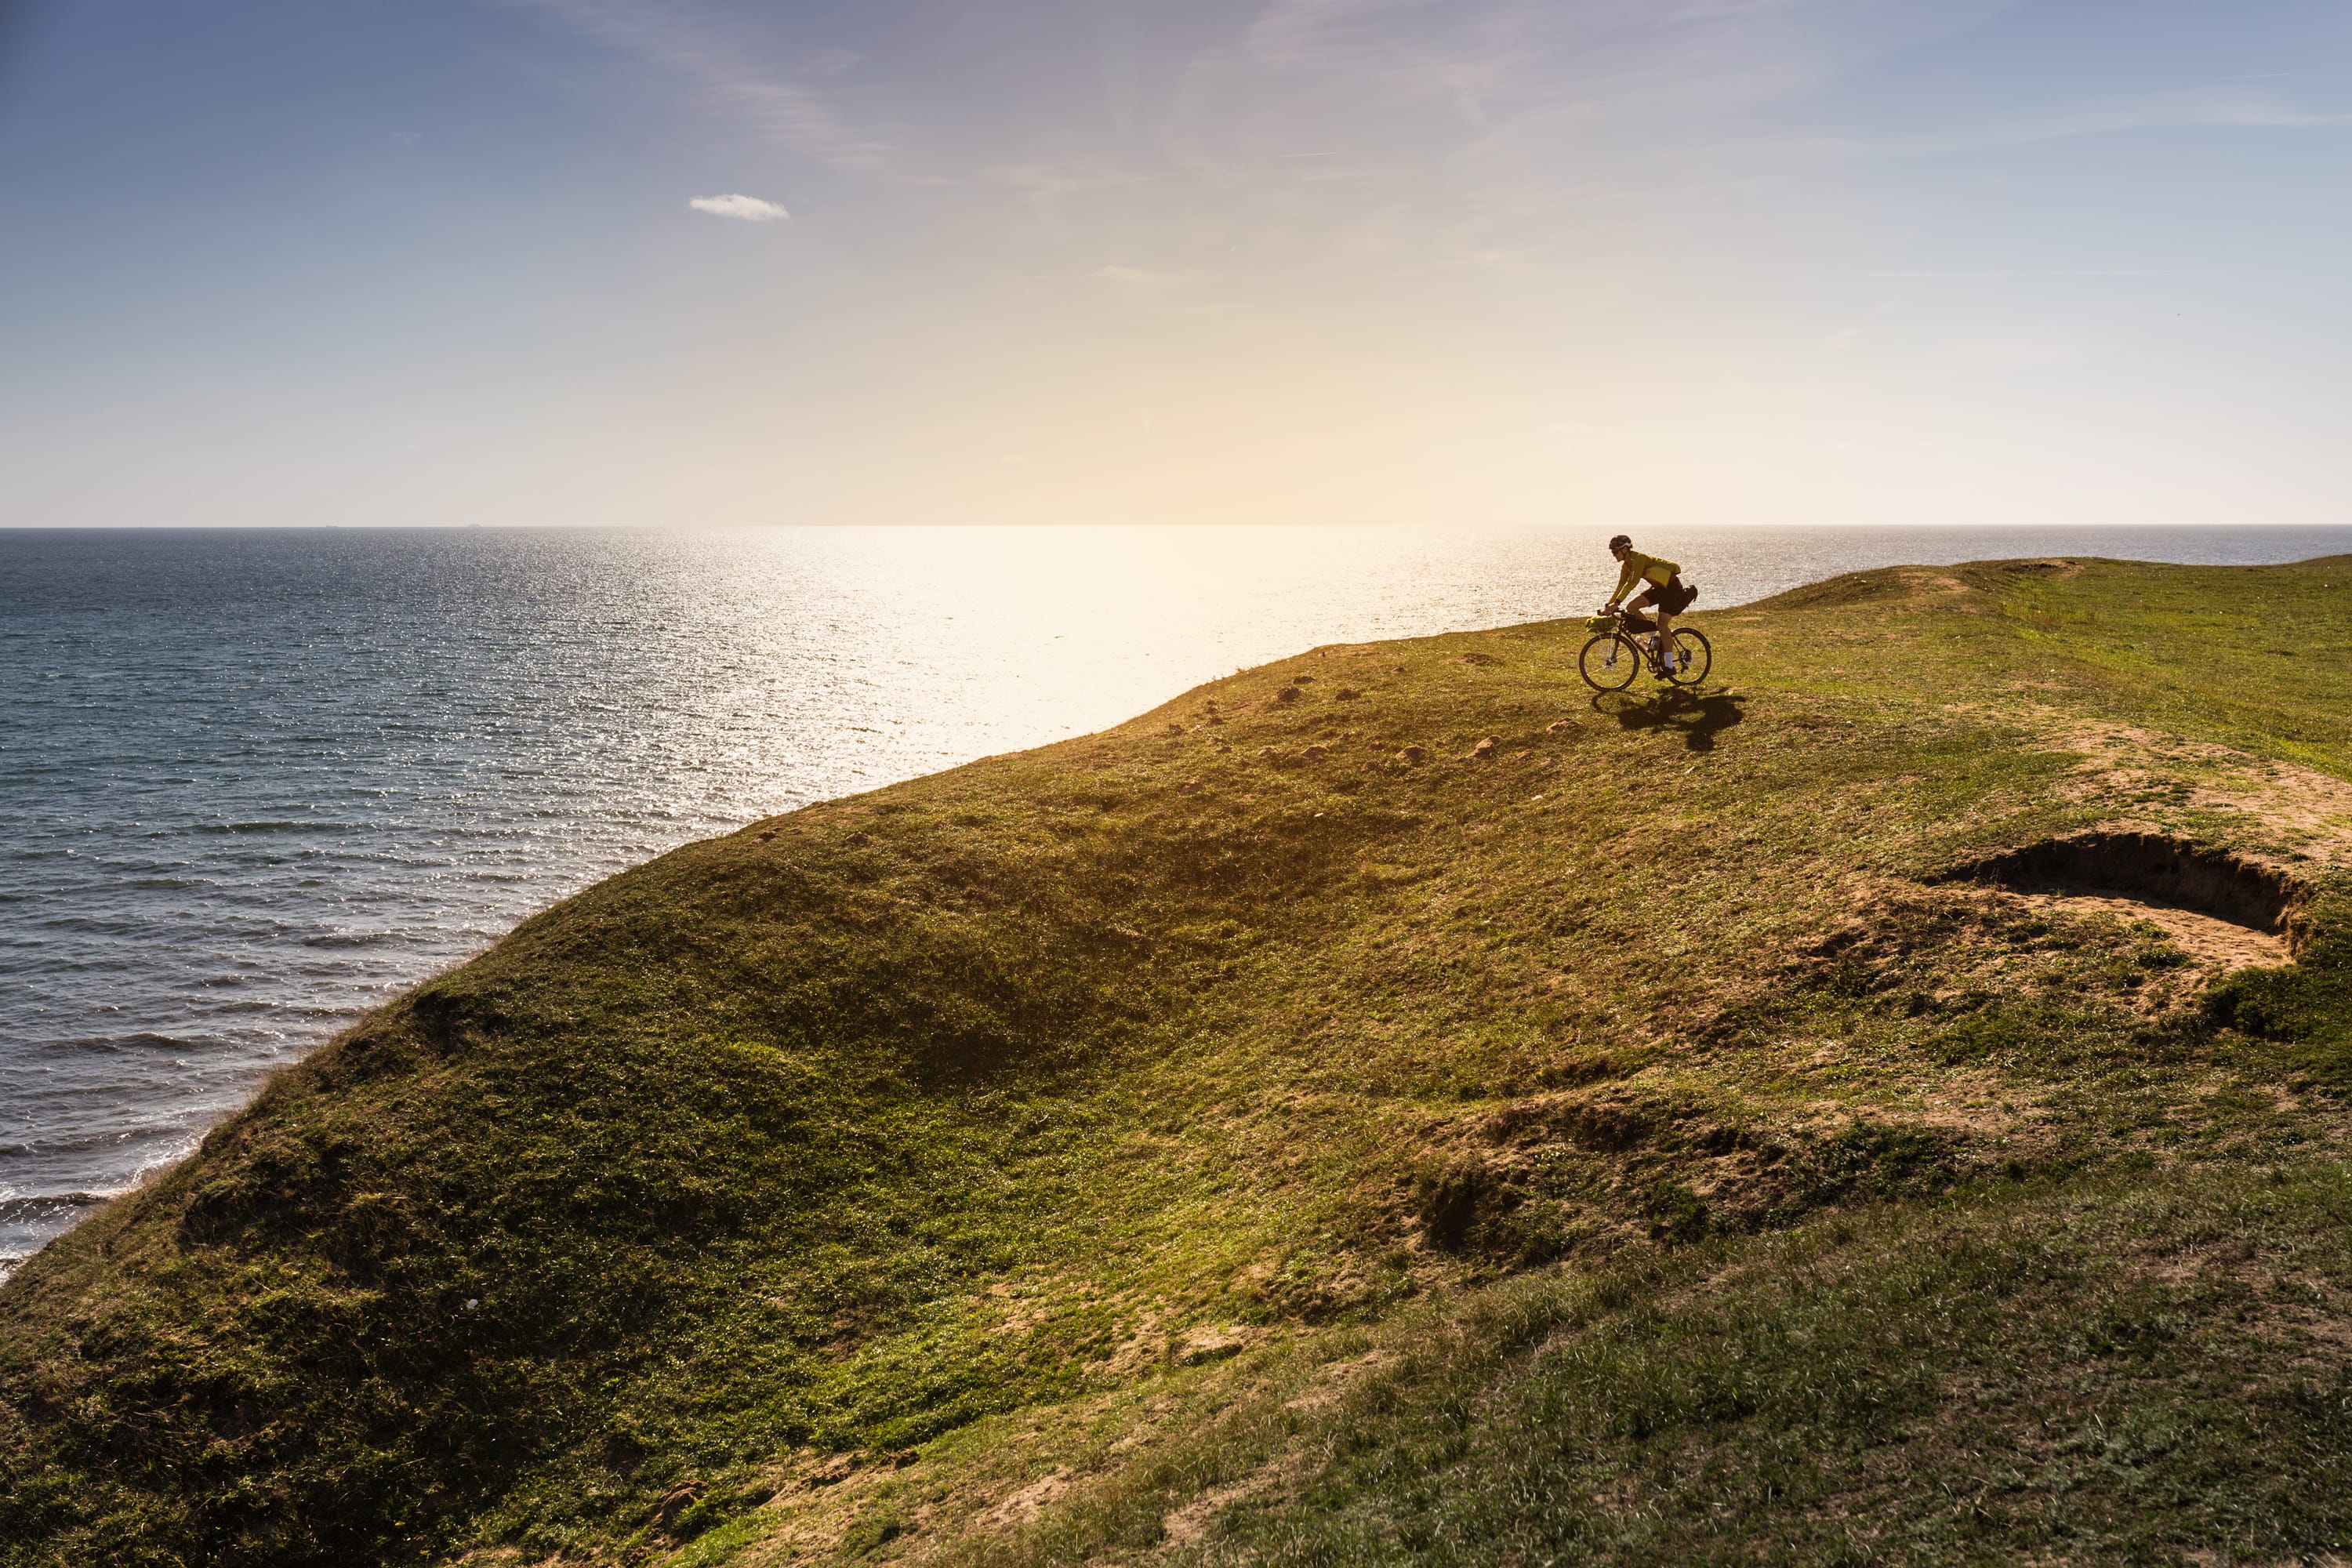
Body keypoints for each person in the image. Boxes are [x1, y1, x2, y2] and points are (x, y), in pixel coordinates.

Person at [1602, 534, 1695, 679]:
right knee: (1631, 607)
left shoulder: (1637, 559)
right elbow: (1621, 585)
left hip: (1671, 589)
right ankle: (1655, 639)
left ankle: (1669, 666)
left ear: (1625, 549)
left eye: (1615, 552)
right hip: (1659, 588)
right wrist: (1609, 605)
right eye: (1612, 552)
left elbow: (1632, 584)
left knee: (1662, 625)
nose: (1614, 555)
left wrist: (1617, 603)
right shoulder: (1626, 565)